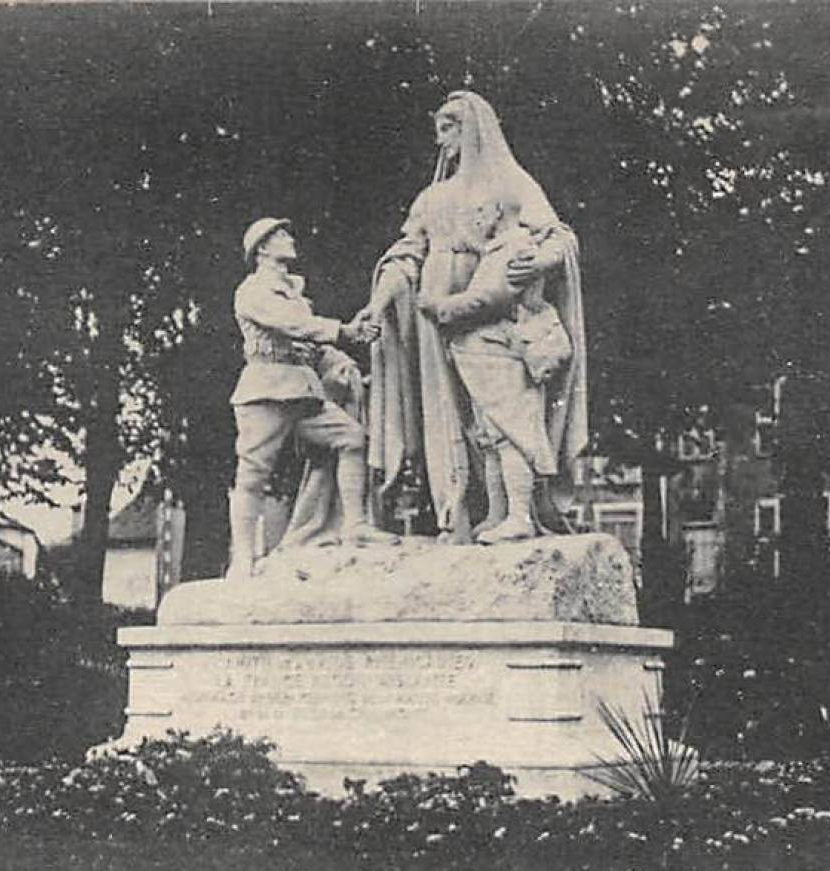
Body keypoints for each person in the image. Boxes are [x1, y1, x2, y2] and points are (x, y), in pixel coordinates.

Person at [364, 91, 588, 543]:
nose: (442, 139)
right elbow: (405, 255)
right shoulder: (433, 197)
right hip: (438, 321)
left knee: (505, 413)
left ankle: (516, 514)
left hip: (489, 307)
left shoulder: (511, 184)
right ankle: (470, 512)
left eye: (449, 128)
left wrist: (539, 264)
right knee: (465, 419)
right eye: (440, 129)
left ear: (473, 129)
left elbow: (559, 238)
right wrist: (380, 302)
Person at [229, 217, 391, 578]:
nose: (289, 238)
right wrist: (344, 331)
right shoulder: (254, 290)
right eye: (281, 235)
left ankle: (355, 525)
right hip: (265, 389)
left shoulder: (294, 292)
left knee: (351, 438)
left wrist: (343, 363)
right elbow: (294, 326)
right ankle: (242, 559)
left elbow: (310, 346)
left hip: (302, 390)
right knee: (253, 474)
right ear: (263, 249)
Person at [418, 197, 570, 542]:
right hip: (485, 352)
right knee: (490, 438)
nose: (474, 220)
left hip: (502, 349)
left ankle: (519, 516)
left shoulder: (514, 245)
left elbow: (490, 298)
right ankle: (498, 513)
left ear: (498, 213)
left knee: (510, 436)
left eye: (478, 212)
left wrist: (438, 307)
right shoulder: (498, 247)